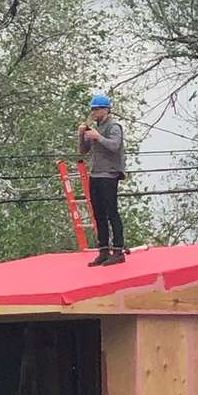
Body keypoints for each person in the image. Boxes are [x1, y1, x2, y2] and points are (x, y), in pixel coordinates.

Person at [78, 93, 125, 266]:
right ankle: (103, 250)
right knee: (98, 214)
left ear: (106, 109)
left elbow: (114, 146)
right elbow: (83, 151)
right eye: (92, 109)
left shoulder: (114, 127)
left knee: (112, 212)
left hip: (109, 174)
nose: (94, 112)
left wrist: (98, 137)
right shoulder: (94, 128)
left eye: (97, 109)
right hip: (95, 174)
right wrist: (82, 135)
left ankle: (118, 250)